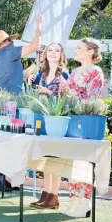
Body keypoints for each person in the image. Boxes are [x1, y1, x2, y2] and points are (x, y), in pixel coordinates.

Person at [0, 17, 43, 192]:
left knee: (5, 140)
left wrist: (37, 62)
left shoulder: (2, 58)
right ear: (4, 43)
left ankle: (0, 179)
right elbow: (34, 46)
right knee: (8, 141)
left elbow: (21, 75)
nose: (12, 42)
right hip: (10, 104)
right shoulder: (10, 52)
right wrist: (39, 29)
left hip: (4, 104)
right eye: (9, 40)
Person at [60, 38, 104, 217]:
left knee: (83, 163)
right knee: (73, 162)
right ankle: (74, 201)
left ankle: (84, 203)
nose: (76, 50)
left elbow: (92, 99)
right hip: (73, 120)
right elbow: (68, 94)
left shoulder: (96, 71)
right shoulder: (75, 71)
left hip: (87, 122)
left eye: (79, 48)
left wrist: (73, 95)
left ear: (90, 52)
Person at [28, 43, 69, 210]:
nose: (53, 53)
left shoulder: (65, 74)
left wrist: (49, 92)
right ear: (45, 54)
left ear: (61, 55)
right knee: (45, 158)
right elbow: (32, 94)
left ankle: (54, 196)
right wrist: (30, 82)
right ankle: (46, 193)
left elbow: (67, 99)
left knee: (55, 158)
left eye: (57, 50)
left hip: (57, 121)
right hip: (43, 120)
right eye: (50, 50)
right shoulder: (41, 74)